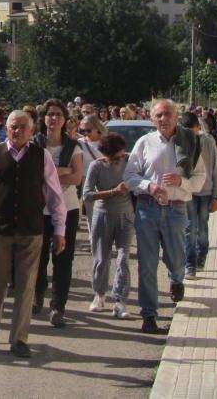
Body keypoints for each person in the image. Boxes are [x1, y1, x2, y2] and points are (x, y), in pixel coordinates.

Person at [0, 110, 67, 359]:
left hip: (31, 229)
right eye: (12, 127)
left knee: (26, 286)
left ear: (31, 131)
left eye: (22, 127)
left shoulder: (42, 156)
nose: (16, 131)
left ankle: (18, 338)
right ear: (5, 128)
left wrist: (59, 229)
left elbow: (55, 195)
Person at [124, 99, 206, 334]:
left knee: (177, 258)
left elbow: (201, 178)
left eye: (167, 114)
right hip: (147, 209)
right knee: (147, 264)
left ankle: (177, 279)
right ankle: (149, 314)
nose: (163, 119)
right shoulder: (144, 143)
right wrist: (148, 186)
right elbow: (129, 176)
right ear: (152, 119)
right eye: (158, 115)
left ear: (176, 116)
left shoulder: (190, 142)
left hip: (176, 209)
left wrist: (183, 181)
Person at [32, 99, 83, 328]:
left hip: (67, 207)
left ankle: (58, 306)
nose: (53, 118)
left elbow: (76, 177)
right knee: (38, 256)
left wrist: (50, 174)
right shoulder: (34, 144)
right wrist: (60, 171)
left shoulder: (73, 147)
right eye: (49, 114)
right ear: (43, 118)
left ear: (65, 119)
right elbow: (31, 175)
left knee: (63, 258)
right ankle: (37, 293)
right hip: (38, 207)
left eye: (58, 115)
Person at [84, 132, 134, 319]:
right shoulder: (97, 166)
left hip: (126, 215)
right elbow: (87, 195)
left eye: (121, 155)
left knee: (123, 258)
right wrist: (113, 191)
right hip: (103, 215)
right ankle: (99, 294)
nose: (119, 159)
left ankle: (120, 299)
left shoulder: (129, 161)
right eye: (115, 157)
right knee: (101, 258)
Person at [178, 112, 217, 279]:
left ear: (198, 127)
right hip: (187, 191)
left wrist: (216, 195)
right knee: (190, 227)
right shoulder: (178, 143)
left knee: (202, 227)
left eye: (193, 130)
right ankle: (190, 264)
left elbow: (216, 169)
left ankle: (201, 256)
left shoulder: (208, 142)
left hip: (205, 191)